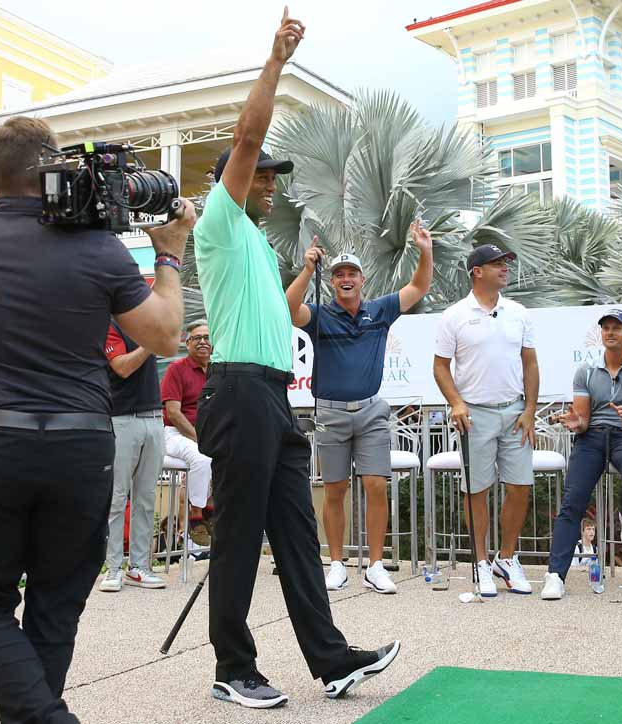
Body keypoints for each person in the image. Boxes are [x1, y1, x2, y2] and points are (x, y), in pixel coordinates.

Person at [0, 113, 191, 724]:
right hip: (81, 445)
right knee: (55, 603)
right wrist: (171, 255)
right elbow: (164, 336)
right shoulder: (98, 248)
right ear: (53, 168)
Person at [191, 11, 397, 709]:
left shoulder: (252, 241)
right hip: (239, 392)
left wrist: (301, 275)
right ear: (233, 180)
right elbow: (248, 134)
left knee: (299, 537)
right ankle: (232, 669)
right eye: (262, 175)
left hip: (272, 395)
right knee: (240, 540)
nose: (270, 182)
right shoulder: (220, 219)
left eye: (273, 176)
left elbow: (277, 313)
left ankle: (332, 659)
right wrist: (275, 61)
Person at [285, 221, 434, 595]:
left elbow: (418, 288)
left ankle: (376, 565)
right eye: (339, 275)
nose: (345, 279)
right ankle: (336, 563)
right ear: (333, 282)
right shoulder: (320, 314)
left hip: (371, 411)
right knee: (334, 489)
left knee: (375, 485)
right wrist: (306, 270)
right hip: (331, 413)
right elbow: (288, 310)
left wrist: (425, 251)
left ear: (362, 279)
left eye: (351, 273)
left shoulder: (380, 311)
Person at [433, 243, 540, 597]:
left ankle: (506, 559)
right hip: (474, 415)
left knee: (520, 486)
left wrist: (530, 410)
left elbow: (530, 364)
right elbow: (440, 367)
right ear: (477, 271)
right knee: (476, 489)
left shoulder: (519, 313)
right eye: (497, 264)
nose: (505, 269)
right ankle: (480, 562)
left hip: (514, 412)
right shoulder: (454, 315)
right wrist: (456, 402)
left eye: (506, 263)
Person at [541, 309, 622, 601]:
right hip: (592, 438)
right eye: (606, 328)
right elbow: (582, 419)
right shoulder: (586, 370)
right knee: (572, 502)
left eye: (616, 328)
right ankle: (555, 575)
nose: (610, 332)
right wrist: (575, 423)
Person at [98, 321, 167, 593]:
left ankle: (138, 568)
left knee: (146, 498)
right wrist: (152, 340)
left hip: (153, 415)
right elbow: (122, 367)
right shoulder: (110, 325)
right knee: (117, 496)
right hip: (122, 418)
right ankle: (113, 568)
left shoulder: (146, 324)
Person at [159, 320, 214, 541]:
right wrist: (198, 437)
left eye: (206, 338)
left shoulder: (220, 370)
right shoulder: (176, 369)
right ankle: (196, 514)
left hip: (210, 433)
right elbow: (173, 413)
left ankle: (213, 508)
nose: (202, 342)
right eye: (196, 338)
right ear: (187, 343)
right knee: (202, 458)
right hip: (176, 434)